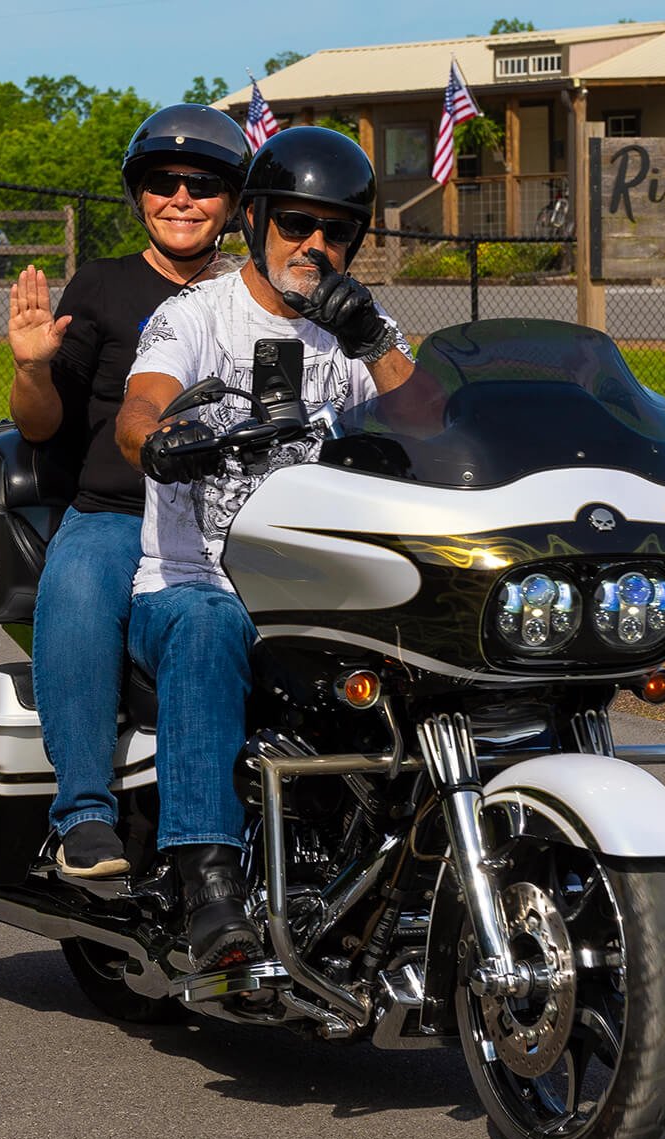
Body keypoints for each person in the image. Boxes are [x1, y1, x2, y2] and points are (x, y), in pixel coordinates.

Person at [114, 125, 430, 970]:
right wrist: (156, 441)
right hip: (189, 582)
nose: (315, 246)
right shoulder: (196, 315)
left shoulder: (357, 327)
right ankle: (210, 885)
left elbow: (435, 424)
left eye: (336, 231)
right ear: (255, 221)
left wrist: (374, 342)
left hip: (317, 592)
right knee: (210, 627)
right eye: (296, 224)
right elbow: (140, 404)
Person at [4, 104, 251, 879]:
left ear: (235, 202)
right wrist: (32, 367)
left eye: (203, 184)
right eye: (162, 182)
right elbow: (42, 429)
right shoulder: (104, 286)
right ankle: (82, 816)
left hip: (239, 519)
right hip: (116, 511)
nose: (181, 198)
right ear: (139, 196)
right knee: (77, 589)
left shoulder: (259, 295)